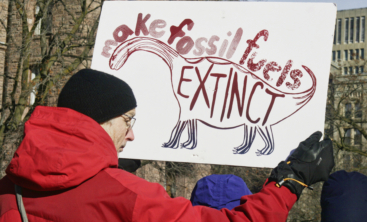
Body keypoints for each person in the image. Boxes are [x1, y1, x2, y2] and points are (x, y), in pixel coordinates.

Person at [0, 69, 334, 222]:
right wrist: (290, 181)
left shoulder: (8, 185)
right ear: (102, 120)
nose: (131, 135)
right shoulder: (128, 197)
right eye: (128, 120)